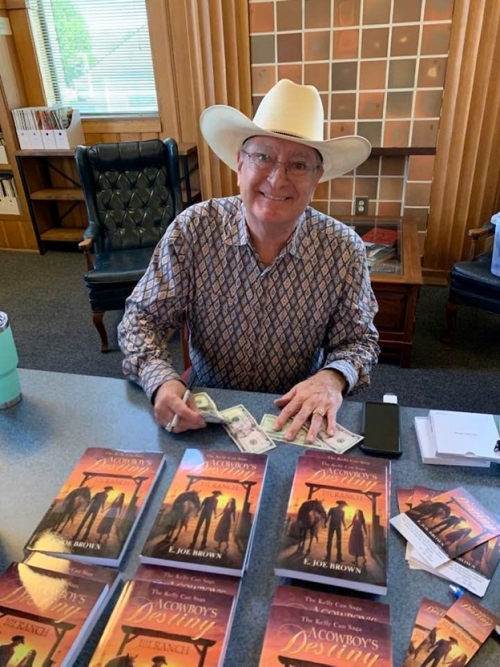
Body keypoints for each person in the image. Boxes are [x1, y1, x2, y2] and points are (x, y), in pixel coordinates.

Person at [118, 78, 379, 444]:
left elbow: (359, 341)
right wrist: (161, 379)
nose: (277, 177)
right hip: (206, 414)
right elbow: (140, 319)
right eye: (263, 156)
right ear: (240, 162)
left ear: (317, 177)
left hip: (295, 419)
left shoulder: (343, 249)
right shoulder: (194, 229)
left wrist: (331, 378)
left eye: (299, 164)